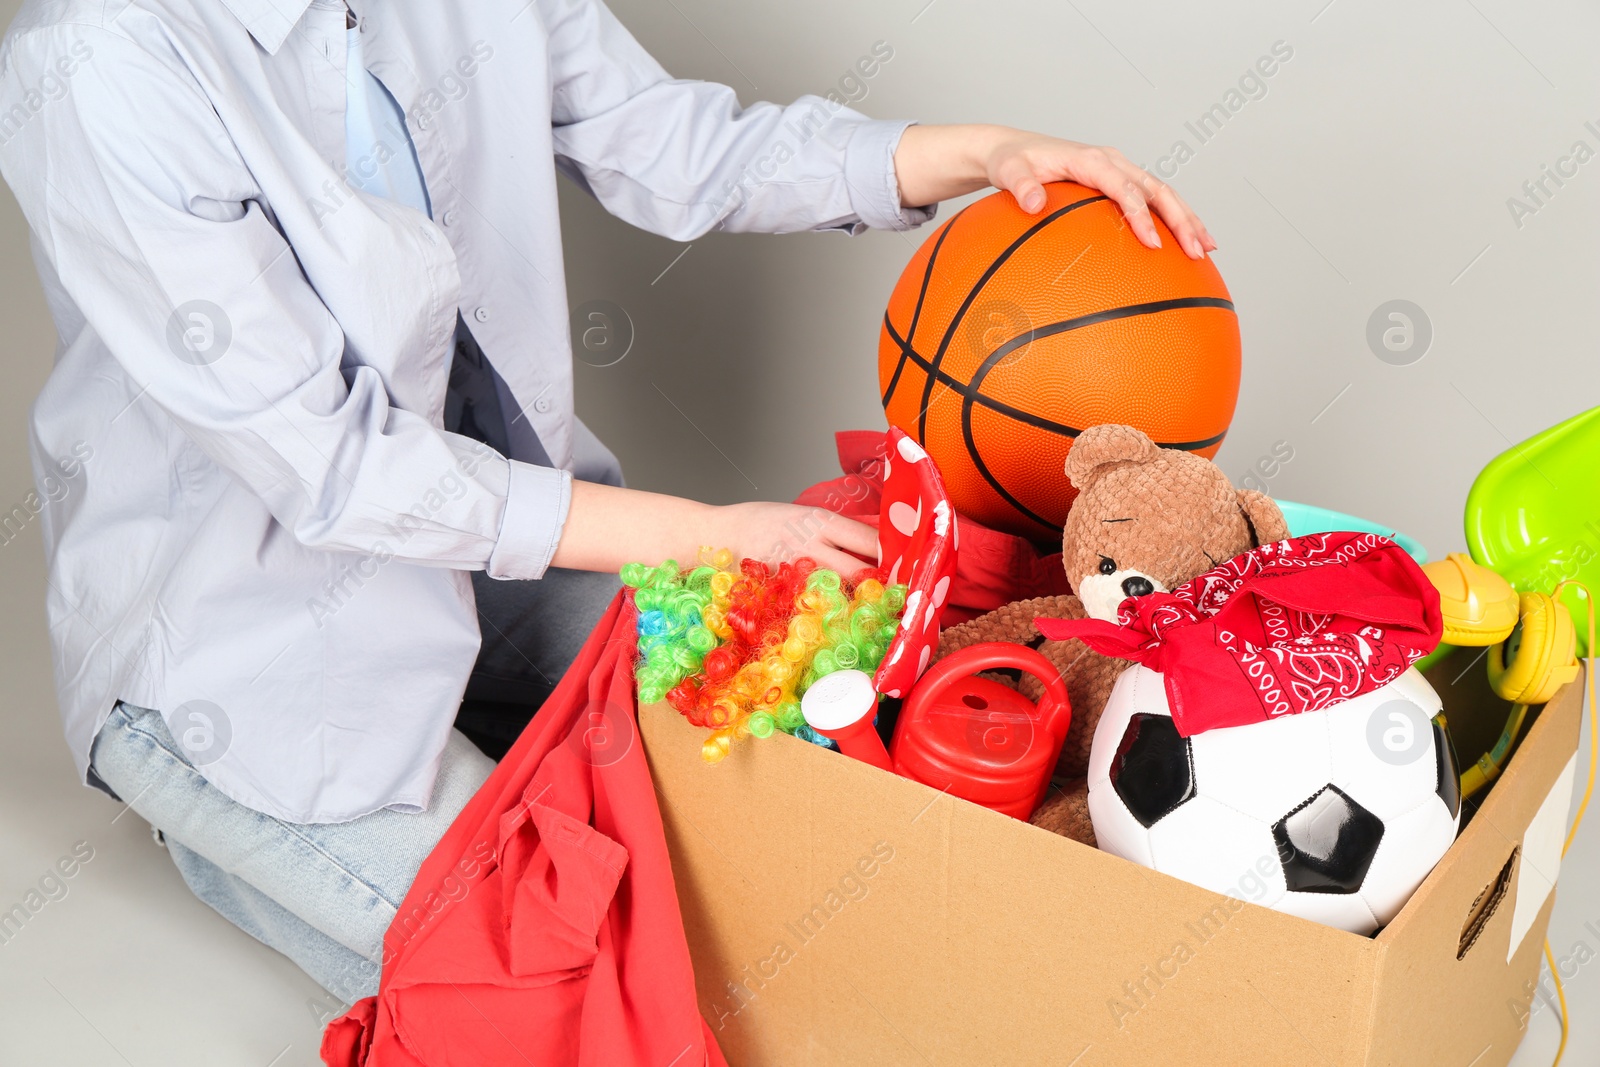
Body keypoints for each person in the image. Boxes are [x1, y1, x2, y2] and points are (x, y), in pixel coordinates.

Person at [0, 0, 1216, 1006]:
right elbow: (341, 469)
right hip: (249, 648)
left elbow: (667, 137)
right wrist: (715, 532)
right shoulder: (96, 61)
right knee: (589, 983)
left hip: (514, 555)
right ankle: (199, 806)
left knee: (813, 757)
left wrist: (982, 152)